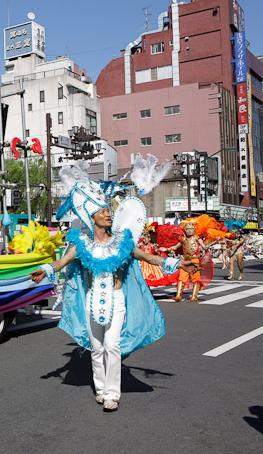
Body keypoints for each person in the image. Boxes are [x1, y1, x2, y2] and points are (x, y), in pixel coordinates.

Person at [29, 160, 197, 412]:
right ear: (93, 217)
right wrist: (45, 270)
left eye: (109, 210)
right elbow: (62, 261)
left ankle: (112, 394)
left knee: (112, 345)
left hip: (116, 300)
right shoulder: (81, 243)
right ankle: (99, 388)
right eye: (104, 211)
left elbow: (149, 257)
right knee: (95, 348)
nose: (109, 214)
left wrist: (177, 264)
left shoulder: (122, 241)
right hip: (91, 300)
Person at [160, 222, 209, 302]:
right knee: (182, 277)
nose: (190, 231)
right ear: (185, 230)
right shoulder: (183, 239)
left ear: (194, 230)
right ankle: (178, 295)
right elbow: (175, 247)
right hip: (185, 260)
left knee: (195, 278)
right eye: (188, 229)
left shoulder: (197, 238)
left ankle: (194, 296)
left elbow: (203, 246)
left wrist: (205, 247)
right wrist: (166, 249)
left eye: (191, 229)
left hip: (194, 260)